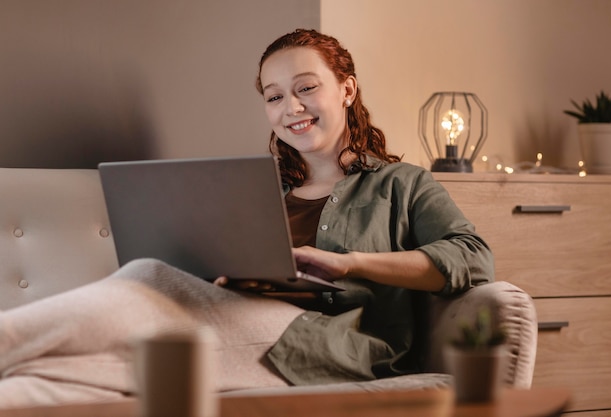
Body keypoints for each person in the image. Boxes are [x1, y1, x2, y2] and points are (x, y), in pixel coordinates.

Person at [0, 29, 493, 407]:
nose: (290, 107)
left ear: (347, 89)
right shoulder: (260, 193)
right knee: (41, 382)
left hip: (335, 346)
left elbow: (472, 258)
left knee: (147, 276)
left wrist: (349, 264)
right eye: (274, 97)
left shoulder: (401, 183)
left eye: (306, 88)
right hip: (233, 321)